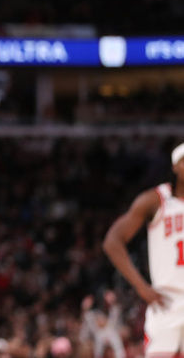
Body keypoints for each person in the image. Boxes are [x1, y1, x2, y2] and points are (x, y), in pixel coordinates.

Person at [103, 142, 184, 357]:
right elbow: (113, 241)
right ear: (175, 166)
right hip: (167, 303)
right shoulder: (156, 200)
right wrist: (140, 286)